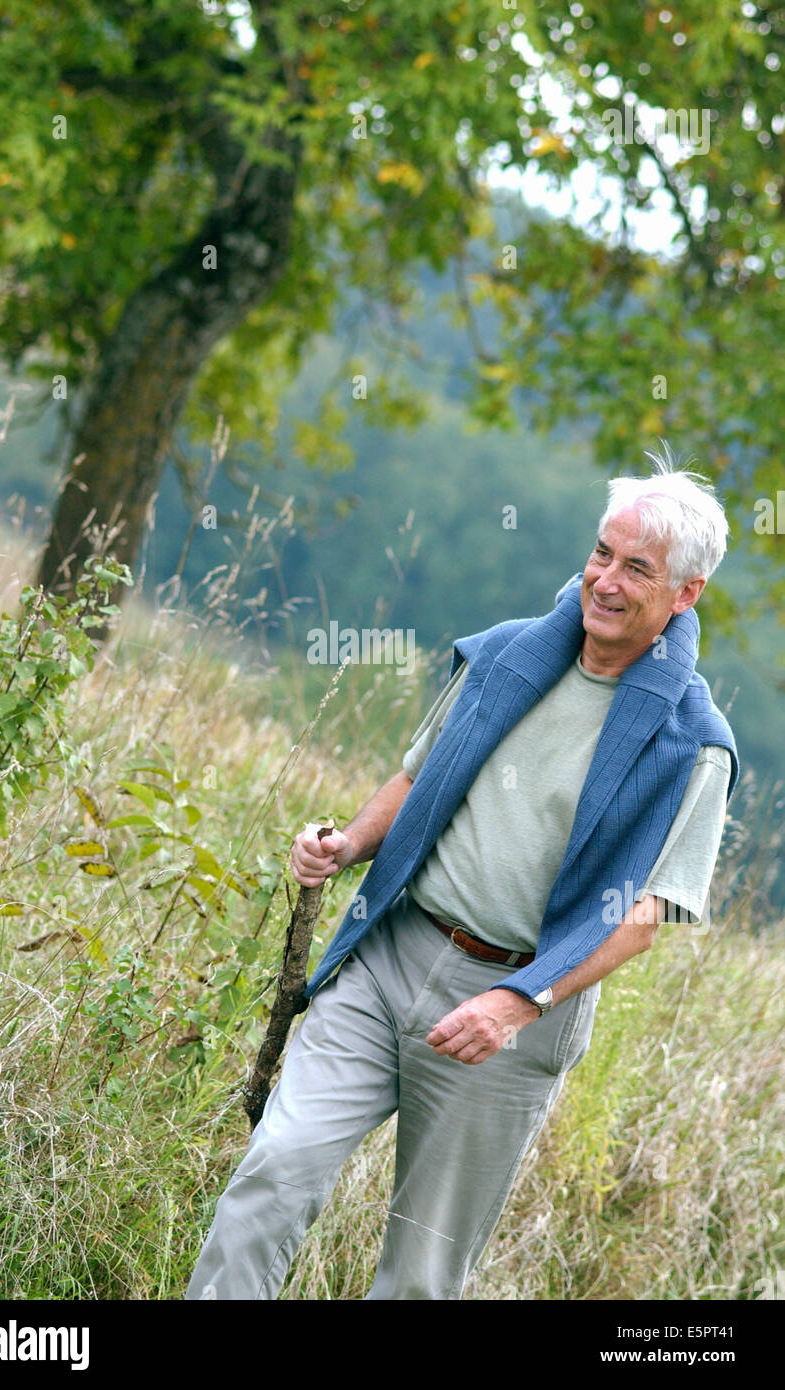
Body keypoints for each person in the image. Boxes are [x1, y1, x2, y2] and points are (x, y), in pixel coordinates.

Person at [185, 446, 739, 1301]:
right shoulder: (508, 659)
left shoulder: (692, 744)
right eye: (601, 554)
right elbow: (419, 776)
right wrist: (347, 847)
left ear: (685, 593)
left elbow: (644, 914)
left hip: (512, 1012)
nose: (605, 581)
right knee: (277, 1168)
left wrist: (518, 1003)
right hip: (389, 956)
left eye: (637, 569)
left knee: (423, 1271)